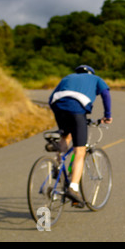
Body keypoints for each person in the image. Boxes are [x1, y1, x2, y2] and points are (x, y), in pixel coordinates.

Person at [49, 65, 112, 207]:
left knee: (66, 136)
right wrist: (107, 115)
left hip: (59, 107)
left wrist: (58, 112)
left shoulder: (67, 78)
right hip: (77, 110)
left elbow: (50, 97)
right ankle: (73, 188)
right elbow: (106, 94)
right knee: (80, 151)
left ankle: (58, 166)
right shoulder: (96, 78)